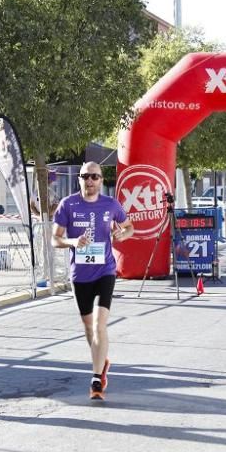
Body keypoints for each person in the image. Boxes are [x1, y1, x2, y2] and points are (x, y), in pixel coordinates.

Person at [53, 161, 134, 400]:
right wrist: (72, 242)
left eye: (95, 177)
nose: (90, 181)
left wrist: (122, 233)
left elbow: (129, 227)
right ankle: (101, 360)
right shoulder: (68, 204)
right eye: (85, 176)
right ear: (79, 178)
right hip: (80, 274)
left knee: (100, 325)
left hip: (105, 270)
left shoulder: (111, 204)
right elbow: (54, 239)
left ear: (101, 179)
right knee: (89, 327)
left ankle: (96, 379)